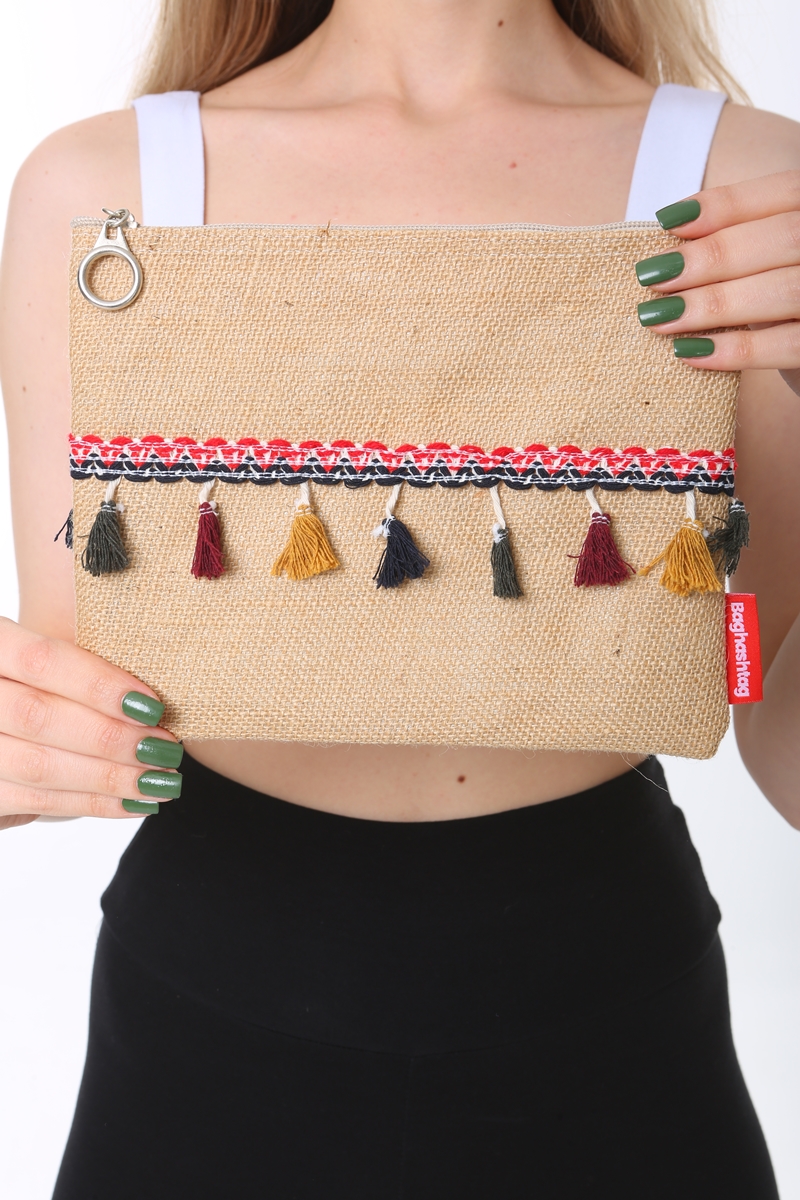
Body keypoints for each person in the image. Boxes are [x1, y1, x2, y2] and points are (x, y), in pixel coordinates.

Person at [0, 0, 798, 1195]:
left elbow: (780, 747)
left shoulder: (752, 187)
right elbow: (68, 707)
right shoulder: (104, 184)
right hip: (201, 1027)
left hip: (611, 1021)